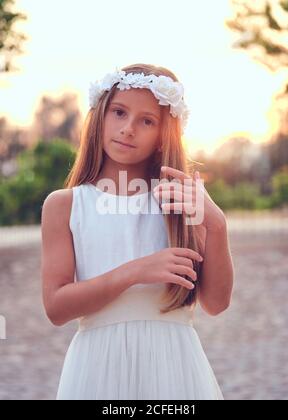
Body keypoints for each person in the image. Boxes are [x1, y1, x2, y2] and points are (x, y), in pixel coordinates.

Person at [41, 63, 234, 400]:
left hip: (173, 365)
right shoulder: (65, 204)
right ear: (100, 115)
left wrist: (216, 224)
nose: (128, 129)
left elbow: (216, 303)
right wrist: (136, 271)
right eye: (119, 112)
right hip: (98, 366)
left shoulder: (180, 200)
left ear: (164, 134)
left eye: (147, 121)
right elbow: (56, 308)